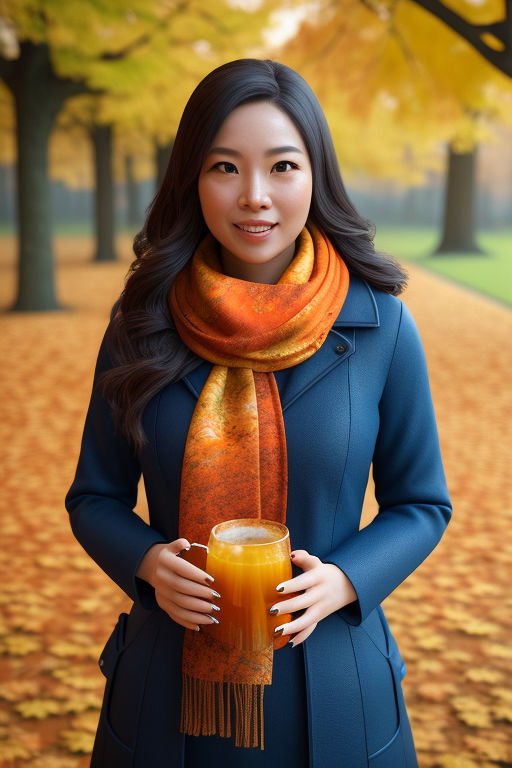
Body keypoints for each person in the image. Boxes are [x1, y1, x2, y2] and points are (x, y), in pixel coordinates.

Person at [65, 58, 452, 768]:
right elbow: (94, 496)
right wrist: (148, 562)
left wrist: (343, 580)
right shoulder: (140, 325)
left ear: (316, 177)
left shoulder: (382, 327)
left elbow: (421, 503)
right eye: (224, 167)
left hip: (335, 684)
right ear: (193, 178)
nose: (254, 196)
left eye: (281, 167)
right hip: (167, 696)